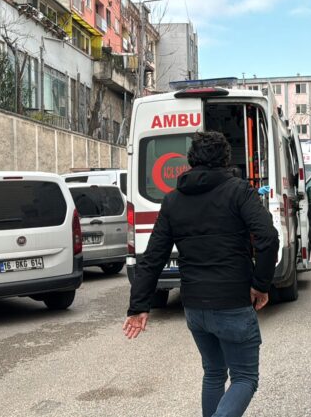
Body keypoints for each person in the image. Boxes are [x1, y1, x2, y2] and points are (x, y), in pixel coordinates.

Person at [123, 131, 280, 417]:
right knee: (244, 377)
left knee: (214, 373)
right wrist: (260, 284)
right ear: (225, 160)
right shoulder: (239, 191)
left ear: (191, 160)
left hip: (194, 306)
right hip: (232, 302)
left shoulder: (172, 200)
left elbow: (153, 257)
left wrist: (139, 306)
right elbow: (268, 237)